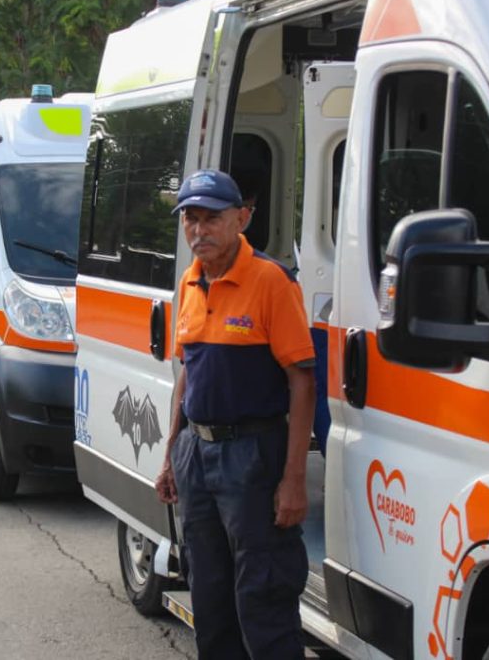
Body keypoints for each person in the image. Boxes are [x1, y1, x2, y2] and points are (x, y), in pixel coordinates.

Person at [154, 170, 316, 660]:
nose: (199, 230)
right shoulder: (190, 281)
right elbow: (189, 373)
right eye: (191, 219)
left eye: (212, 218)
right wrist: (171, 455)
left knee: (263, 595)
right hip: (196, 454)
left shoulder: (271, 281)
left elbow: (303, 382)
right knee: (209, 594)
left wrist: (294, 480)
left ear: (241, 219)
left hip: (252, 456)